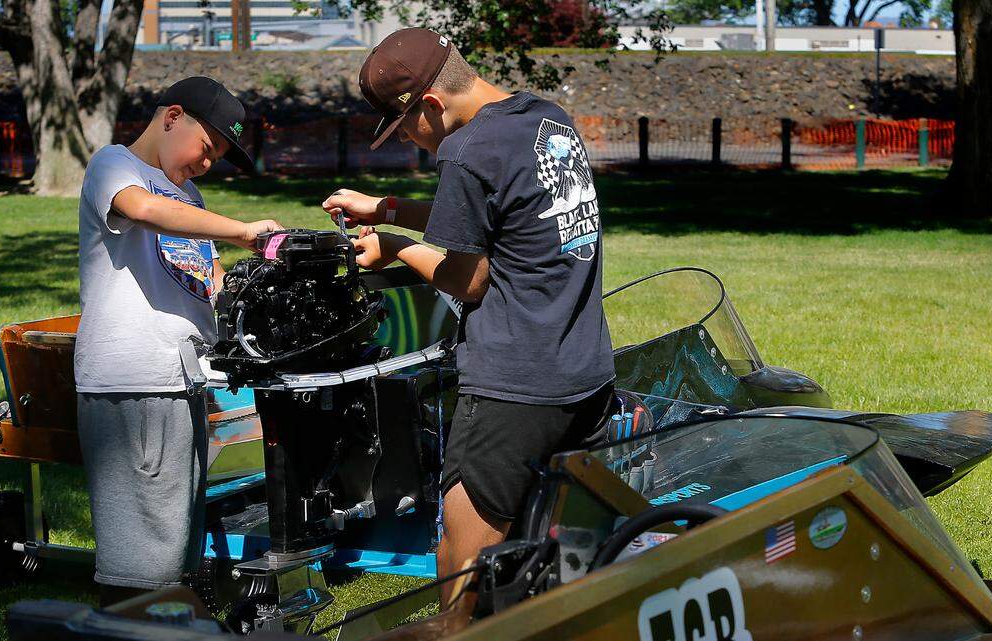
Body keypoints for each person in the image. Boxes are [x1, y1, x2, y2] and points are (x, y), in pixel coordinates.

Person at [321, 28, 615, 608]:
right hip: (586, 374)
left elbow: (468, 279)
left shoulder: (466, 149)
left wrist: (395, 245)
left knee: (463, 561)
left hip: (515, 382)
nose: (408, 140)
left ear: (430, 104)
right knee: (556, 561)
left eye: (404, 126)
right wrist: (388, 206)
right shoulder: (545, 118)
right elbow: (500, 214)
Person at [74, 76, 282, 606]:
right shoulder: (115, 166)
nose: (207, 164)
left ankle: (159, 619)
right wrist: (240, 230)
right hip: (134, 380)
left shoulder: (187, 194)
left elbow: (205, 280)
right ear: (172, 118)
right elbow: (143, 210)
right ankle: (128, 625)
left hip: (180, 380)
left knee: (170, 540)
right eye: (207, 148)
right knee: (140, 557)